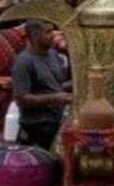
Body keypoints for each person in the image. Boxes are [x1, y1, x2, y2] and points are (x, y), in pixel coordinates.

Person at [11, 19, 72, 151]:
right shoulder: (23, 62)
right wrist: (56, 98)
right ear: (34, 36)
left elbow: (55, 85)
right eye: (48, 32)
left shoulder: (53, 54)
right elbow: (21, 99)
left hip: (56, 122)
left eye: (53, 31)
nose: (53, 35)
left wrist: (77, 83)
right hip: (37, 128)